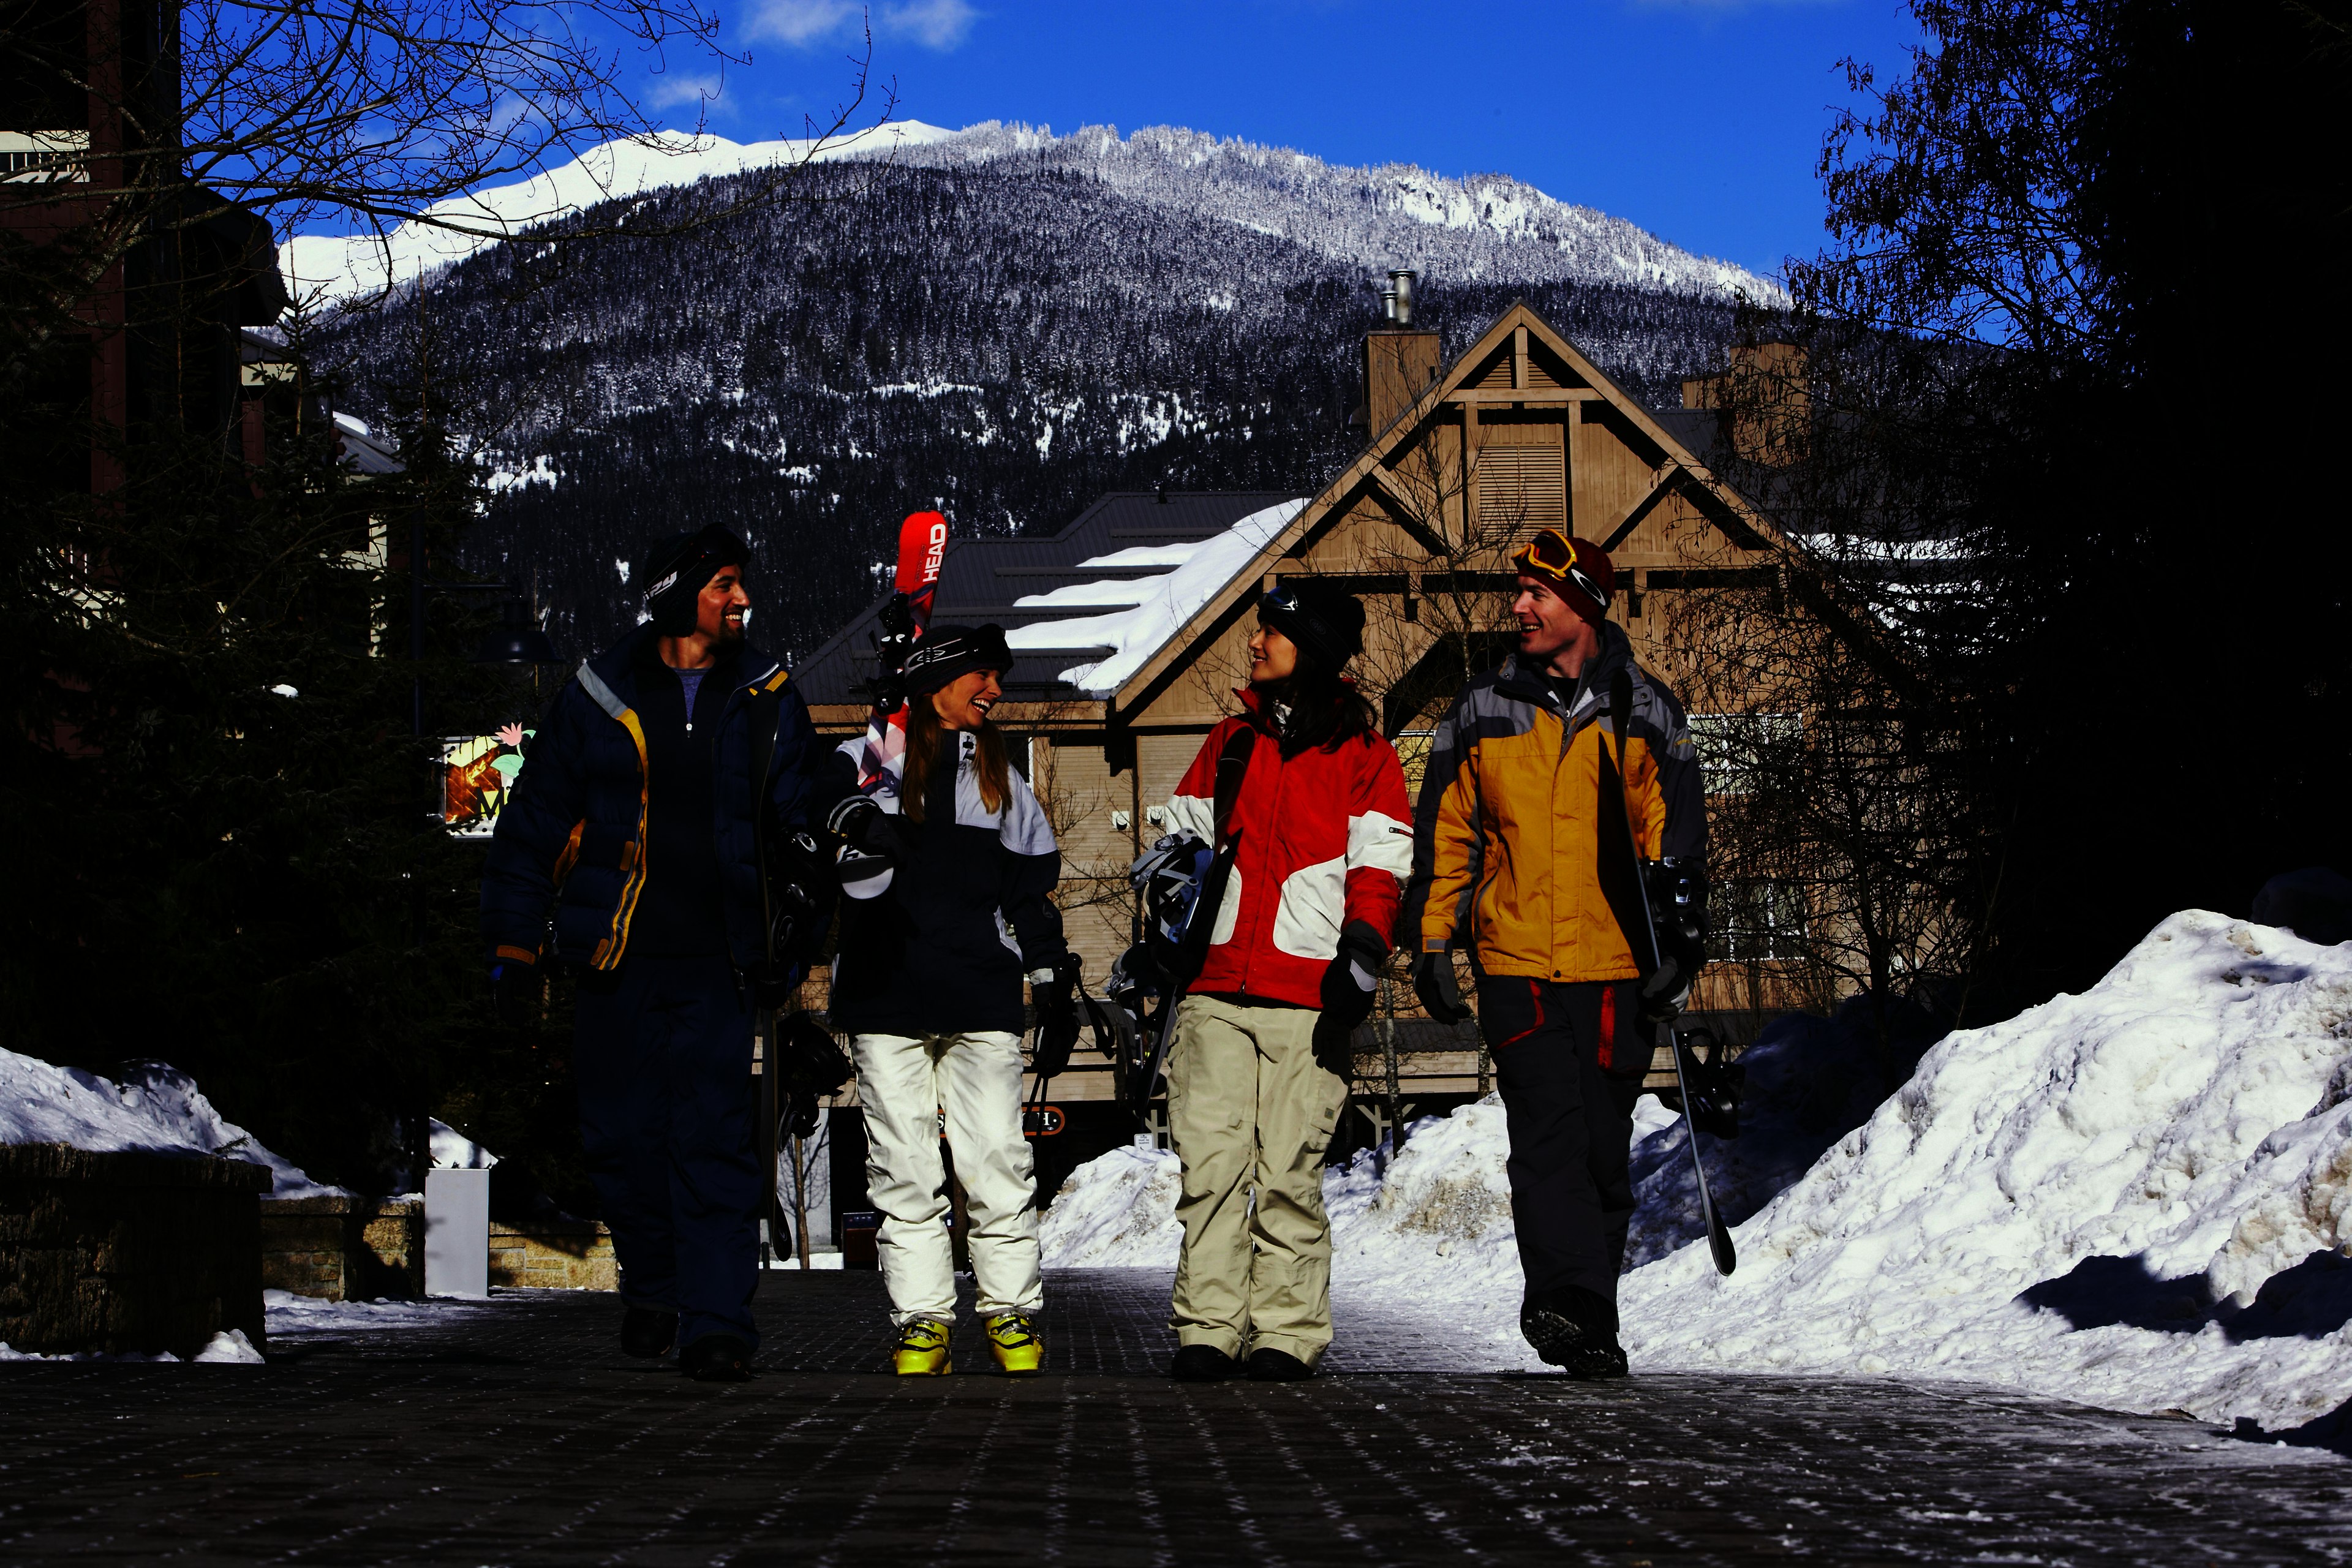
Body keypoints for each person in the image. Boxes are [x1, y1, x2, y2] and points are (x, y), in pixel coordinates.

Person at [480, 525, 829, 1382]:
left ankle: (717, 1324)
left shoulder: (768, 696)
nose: (742, 599)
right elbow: (528, 833)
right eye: (723, 586)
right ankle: (656, 1286)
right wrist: (514, 951)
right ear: (679, 596)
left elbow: (805, 812)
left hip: (720, 965)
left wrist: (827, 850)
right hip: (611, 960)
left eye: (741, 585)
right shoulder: (597, 697)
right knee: (621, 1140)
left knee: (712, 1142)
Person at [1401, 529, 1705, 1379]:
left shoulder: (1646, 711)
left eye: (1538, 593)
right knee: (1547, 1134)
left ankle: (1590, 1318)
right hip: (1517, 963)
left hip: (1616, 968)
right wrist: (1433, 941)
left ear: (1583, 605)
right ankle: (1560, 1302)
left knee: (1604, 1147)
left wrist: (1682, 945)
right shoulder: (1480, 710)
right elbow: (1447, 839)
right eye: (1518, 592)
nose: (1519, 607)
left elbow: (1676, 842)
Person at [1157, 583, 1412, 1383]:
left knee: (1288, 1176)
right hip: (1215, 991)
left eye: (1272, 632)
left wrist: (1362, 956)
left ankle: (1286, 1335)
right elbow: (1178, 844)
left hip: (1309, 996)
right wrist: (1165, 898)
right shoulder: (1229, 741)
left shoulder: (1365, 759)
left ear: (1316, 648)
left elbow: (1381, 867)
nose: (1256, 643)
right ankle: (1209, 1327)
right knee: (1211, 1168)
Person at [823, 625, 1079, 1376]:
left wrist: (1054, 981)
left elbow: (1032, 897)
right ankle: (923, 1324)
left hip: (978, 994)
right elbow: (815, 822)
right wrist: (854, 807)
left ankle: (1010, 1313)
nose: (997, 691)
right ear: (940, 679)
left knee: (997, 1160)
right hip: (884, 994)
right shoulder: (865, 760)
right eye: (984, 677)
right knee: (904, 1169)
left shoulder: (1002, 779)